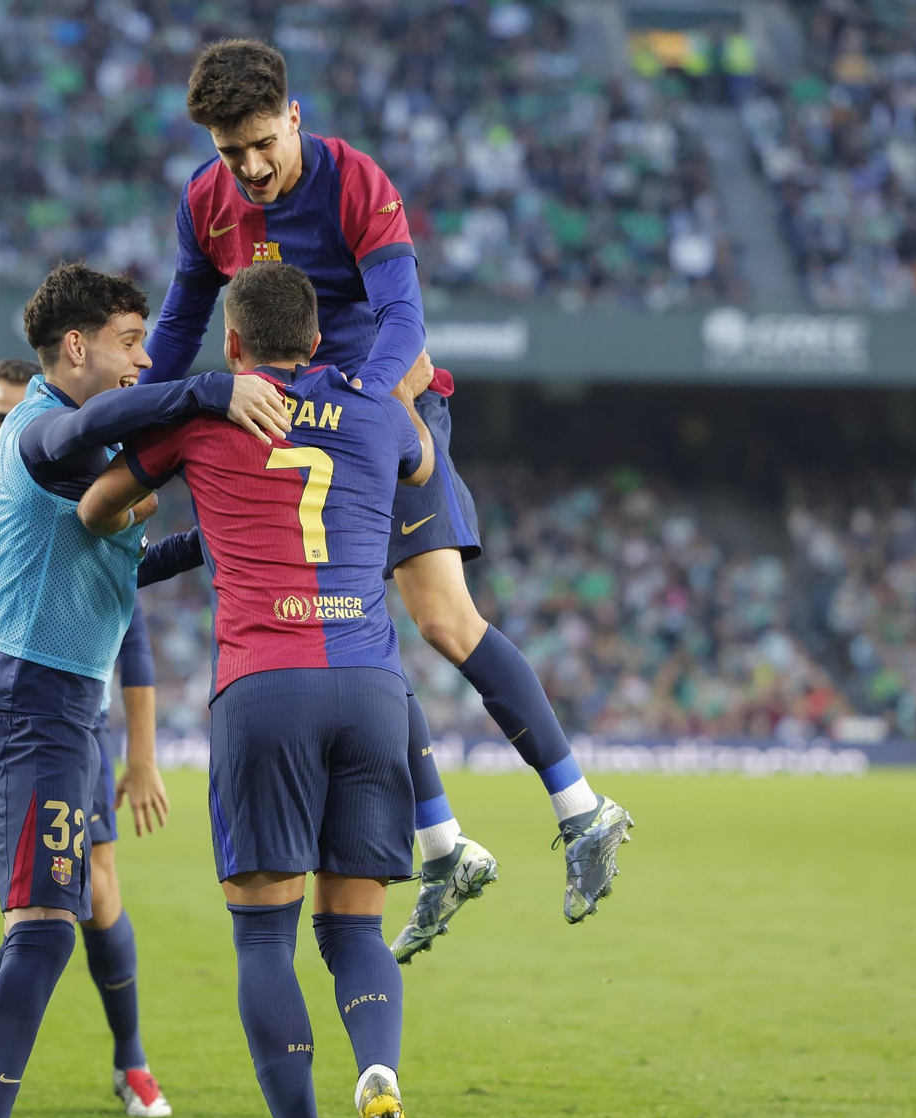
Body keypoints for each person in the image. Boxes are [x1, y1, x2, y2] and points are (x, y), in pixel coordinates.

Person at [141, 39, 632, 947]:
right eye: (227, 151)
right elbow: (178, 324)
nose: (248, 169)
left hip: (384, 413)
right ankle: (444, 845)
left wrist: (358, 403)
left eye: (261, 144)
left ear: (294, 117)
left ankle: (581, 808)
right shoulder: (205, 204)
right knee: (348, 631)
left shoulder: (356, 181)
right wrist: (144, 423)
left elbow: (404, 316)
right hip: (297, 426)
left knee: (442, 621)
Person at [0, 263, 289, 1118]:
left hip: (54, 709)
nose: (142, 360)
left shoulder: (69, 449)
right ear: (73, 347)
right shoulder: (43, 426)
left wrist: (211, 544)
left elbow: (116, 566)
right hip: (32, 706)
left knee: (36, 934)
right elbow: (107, 420)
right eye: (127, 342)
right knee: (42, 934)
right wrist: (210, 393)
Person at [81, 261, 434, 1118]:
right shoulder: (376, 411)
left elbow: (97, 508)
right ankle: (380, 1070)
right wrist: (403, 389)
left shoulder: (203, 417)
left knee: (264, 938)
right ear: (317, 342)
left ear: (233, 344)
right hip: (371, 683)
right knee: (354, 928)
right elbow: (422, 466)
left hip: (264, 684)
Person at [0, 359, 172, 1118]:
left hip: (59, 715)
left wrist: (141, 755)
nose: (3, 423)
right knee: (10, 921)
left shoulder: (65, 479)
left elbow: (129, 603)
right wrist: (202, 402)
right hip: (16, 709)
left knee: (63, 914)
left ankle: (128, 1060)